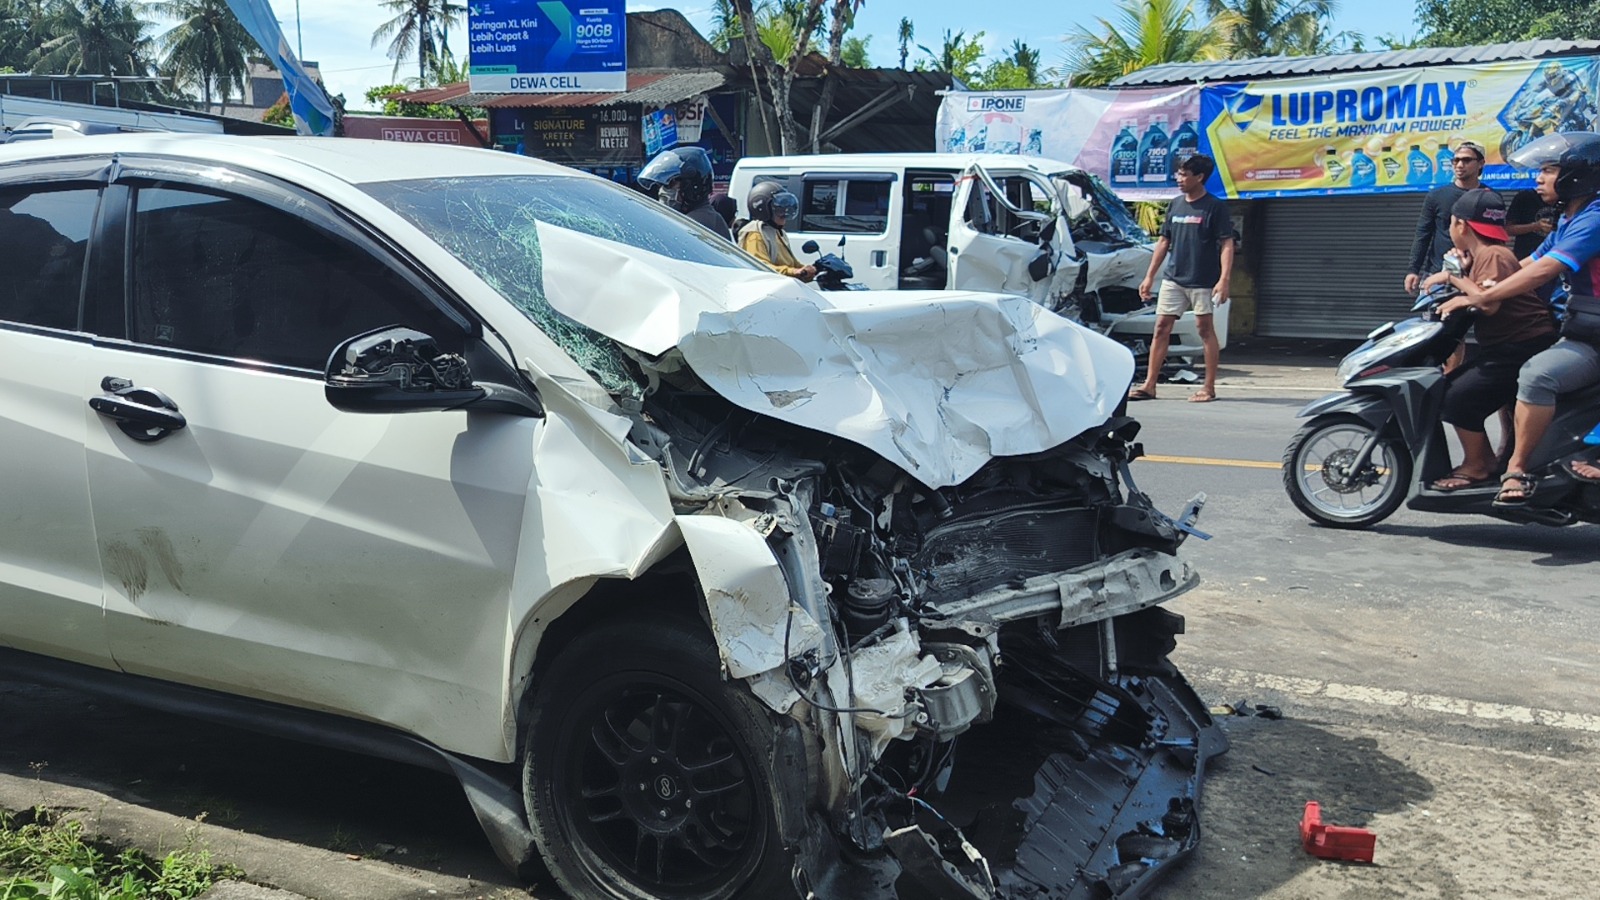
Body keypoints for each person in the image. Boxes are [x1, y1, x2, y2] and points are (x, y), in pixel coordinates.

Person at [1439, 133, 1600, 505]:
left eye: (1548, 170)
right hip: (1580, 331)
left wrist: (1483, 295)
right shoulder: (1567, 219)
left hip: (1592, 340)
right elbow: (1525, 263)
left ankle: (1517, 469)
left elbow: (1545, 270)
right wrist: (1471, 283)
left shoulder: (1593, 219)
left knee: (1536, 374)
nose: (1539, 179)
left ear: (1576, 175)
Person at [1422, 190, 1557, 490]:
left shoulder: (1493, 255)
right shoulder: (1485, 255)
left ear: (1460, 225)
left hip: (1521, 347)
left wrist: (1455, 276)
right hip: (1510, 346)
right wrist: (1448, 276)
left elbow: (1488, 303)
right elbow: (1477, 285)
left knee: (1454, 396)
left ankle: (1477, 465)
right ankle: (1485, 461)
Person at [1127, 154, 1234, 403]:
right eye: (1179, 174)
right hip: (1174, 278)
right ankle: (1149, 385)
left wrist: (1224, 279)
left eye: (1185, 174)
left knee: (1204, 329)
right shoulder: (1175, 205)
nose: (1179, 178)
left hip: (1203, 280)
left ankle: (1208, 388)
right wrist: (1149, 276)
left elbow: (1227, 243)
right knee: (1161, 327)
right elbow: (1164, 241)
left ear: (1200, 177)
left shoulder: (1214, 207)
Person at [1405, 141, 1488, 295]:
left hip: (1477, 276)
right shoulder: (1437, 196)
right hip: (1438, 275)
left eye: (1466, 160)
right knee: (1433, 318)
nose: (1459, 165)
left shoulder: (1489, 197)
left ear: (1481, 163)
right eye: (1455, 160)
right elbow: (1423, 234)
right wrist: (1413, 270)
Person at [637, 146, 731, 240]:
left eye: (670, 184)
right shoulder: (700, 216)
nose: (662, 191)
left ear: (693, 187)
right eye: (661, 185)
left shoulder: (695, 223)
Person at [739, 181, 817, 282]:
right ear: (763, 209)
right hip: (768, 289)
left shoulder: (779, 232)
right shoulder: (756, 234)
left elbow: (793, 263)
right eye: (779, 210)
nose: (784, 213)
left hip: (784, 287)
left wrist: (809, 270)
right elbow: (760, 266)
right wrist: (794, 272)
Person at [1506, 188, 1557, 260]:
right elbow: (1508, 229)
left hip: (1557, 255)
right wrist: (1535, 226)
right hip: (1526, 255)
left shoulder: (1568, 199)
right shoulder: (1525, 197)